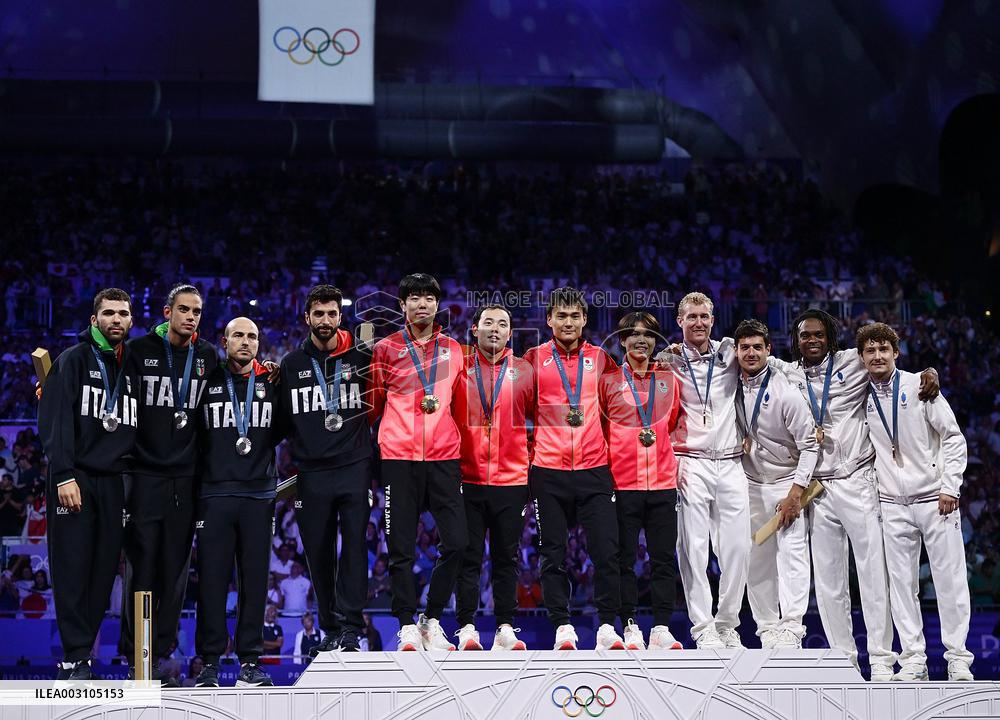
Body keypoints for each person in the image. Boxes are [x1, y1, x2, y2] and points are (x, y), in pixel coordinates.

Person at [769, 309, 939, 678]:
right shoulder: (787, 372)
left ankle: (880, 659)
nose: (811, 340)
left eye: (818, 334)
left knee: (872, 573)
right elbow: (744, 353)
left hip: (858, 478)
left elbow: (893, 369)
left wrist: (929, 373)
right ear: (796, 340)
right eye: (804, 336)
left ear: (829, 336)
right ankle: (843, 661)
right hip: (818, 487)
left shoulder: (853, 361)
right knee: (828, 581)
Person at [859, 322, 974, 682]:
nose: (877, 356)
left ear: (896, 353)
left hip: (935, 500)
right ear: (861, 357)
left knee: (950, 581)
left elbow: (953, 438)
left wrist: (950, 487)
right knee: (901, 585)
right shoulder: (858, 394)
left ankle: (958, 658)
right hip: (891, 503)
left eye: (884, 350)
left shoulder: (920, 386)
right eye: (870, 351)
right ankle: (913, 660)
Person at [38, 288, 139, 680]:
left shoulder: (131, 363)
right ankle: (73, 657)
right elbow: (55, 420)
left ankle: (83, 655)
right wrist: (63, 473)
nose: (117, 319)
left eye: (123, 314)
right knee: (72, 568)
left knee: (102, 571)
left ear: (131, 321)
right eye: (109, 313)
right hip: (75, 477)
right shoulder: (73, 359)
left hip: (113, 481)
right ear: (94, 319)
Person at [120, 283, 218, 686]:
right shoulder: (140, 351)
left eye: (197, 311)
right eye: (184, 309)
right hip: (144, 476)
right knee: (140, 569)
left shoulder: (208, 355)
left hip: (186, 481)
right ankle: (135, 656)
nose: (191, 316)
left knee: (175, 571)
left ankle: (159, 655)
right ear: (167, 312)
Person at [368, 273, 467, 651]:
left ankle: (433, 618)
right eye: (414, 298)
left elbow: (459, 405)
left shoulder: (455, 350)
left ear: (437, 305)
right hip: (398, 458)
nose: (422, 304)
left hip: (443, 456)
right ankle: (407, 623)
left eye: (428, 297)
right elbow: (374, 405)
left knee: (457, 542)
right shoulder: (386, 349)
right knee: (400, 547)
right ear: (402, 305)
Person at [522, 287, 624, 651]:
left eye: (574, 316)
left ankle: (608, 625)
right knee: (552, 552)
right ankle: (562, 625)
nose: (568, 322)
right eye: (560, 316)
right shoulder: (532, 358)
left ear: (584, 320)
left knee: (606, 551)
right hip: (548, 469)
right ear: (549, 319)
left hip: (594, 467)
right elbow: (519, 411)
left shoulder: (601, 359)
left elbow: (616, 413)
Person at [278, 284, 373, 653]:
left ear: (340, 316)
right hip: (311, 472)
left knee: (353, 547)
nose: (326, 320)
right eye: (318, 314)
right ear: (307, 318)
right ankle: (331, 628)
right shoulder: (290, 364)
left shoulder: (362, 356)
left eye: (332, 313)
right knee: (317, 553)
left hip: (353, 466)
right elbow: (282, 422)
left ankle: (351, 628)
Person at [193, 317, 281, 688]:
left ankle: (249, 661)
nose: (246, 342)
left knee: (255, 583)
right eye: (238, 336)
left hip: (258, 497)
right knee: (212, 582)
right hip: (214, 495)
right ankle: (209, 664)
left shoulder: (274, 383)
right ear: (223, 340)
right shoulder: (205, 380)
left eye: (252, 337)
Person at [657, 292, 748, 649]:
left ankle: (727, 623)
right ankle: (703, 627)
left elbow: (775, 365)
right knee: (693, 548)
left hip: (730, 461)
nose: (698, 322)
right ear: (679, 321)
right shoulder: (667, 360)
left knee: (739, 547)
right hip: (689, 461)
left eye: (704, 316)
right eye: (691, 316)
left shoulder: (731, 352)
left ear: (713, 319)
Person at [452, 305, 534, 651]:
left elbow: (543, 418)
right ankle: (467, 627)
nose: (495, 330)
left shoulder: (526, 371)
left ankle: (505, 627)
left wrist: (528, 458)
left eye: (503, 324)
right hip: (467, 477)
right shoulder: (458, 369)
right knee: (468, 557)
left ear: (510, 333)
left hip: (512, 479)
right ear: (475, 330)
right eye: (488, 323)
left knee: (506, 557)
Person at [733, 319, 818, 649]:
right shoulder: (730, 383)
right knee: (756, 559)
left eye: (757, 347)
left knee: (793, 557)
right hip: (750, 483)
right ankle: (767, 627)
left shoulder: (786, 391)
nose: (751, 353)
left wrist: (796, 493)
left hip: (786, 483)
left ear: (769, 350)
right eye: (745, 348)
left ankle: (793, 627)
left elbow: (810, 444)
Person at [600, 312, 683, 651]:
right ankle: (630, 625)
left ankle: (661, 627)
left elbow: (673, 421)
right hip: (623, 482)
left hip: (663, 482)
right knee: (623, 560)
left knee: (663, 559)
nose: (641, 340)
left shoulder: (669, 379)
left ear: (655, 342)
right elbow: (601, 430)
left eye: (648, 335)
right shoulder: (607, 381)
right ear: (621, 341)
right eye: (633, 334)